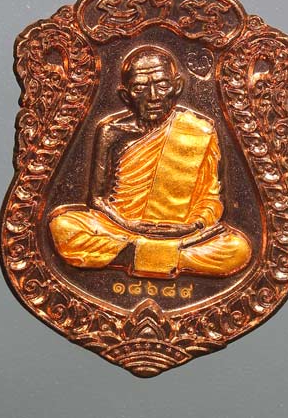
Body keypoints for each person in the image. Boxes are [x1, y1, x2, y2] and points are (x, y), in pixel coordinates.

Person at [49, 45, 251, 278]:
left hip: (181, 233)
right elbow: (97, 199)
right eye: (140, 88)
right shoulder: (111, 132)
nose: (153, 96)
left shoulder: (199, 130)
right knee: (64, 226)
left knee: (237, 249)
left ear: (177, 87)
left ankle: (139, 254)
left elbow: (212, 198)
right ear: (126, 95)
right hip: (121, 229)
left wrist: (194, 225)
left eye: (162, 85)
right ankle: (165, 256)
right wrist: (128, 225)